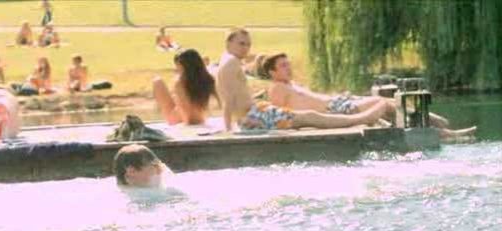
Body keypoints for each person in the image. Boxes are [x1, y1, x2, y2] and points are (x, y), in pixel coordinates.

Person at [263, 53, 477, 138]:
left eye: (288, 64)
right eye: (283, 66)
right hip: (336, 110)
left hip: (339, 103)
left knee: (390, 102)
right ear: (272, 72)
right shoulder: (277, 88)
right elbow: (283, 115)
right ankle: (443, 129)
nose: (288, 68)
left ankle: (436, 126)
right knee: (386, 104)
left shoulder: (291, 84)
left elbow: (314, 97)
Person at [216, 28, 387, 132]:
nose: (246, 48)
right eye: (241, 44)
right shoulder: (231, 63)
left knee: (309, 116)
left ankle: (361, 118)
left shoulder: (227, 62)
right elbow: (229, 99)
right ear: (228, 43)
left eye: (248, 44)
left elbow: (234, 95)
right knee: (310, 117)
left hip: (257, 112)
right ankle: (361, 119)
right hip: (255, 116)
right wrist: (229, 129)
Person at [152, 48, 219, 125]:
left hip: (181, 119)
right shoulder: (207, 78)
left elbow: (185, 109)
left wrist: (186, 125)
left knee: (157, 81)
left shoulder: (180, 82)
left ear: (182, 65)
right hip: (200, 119)